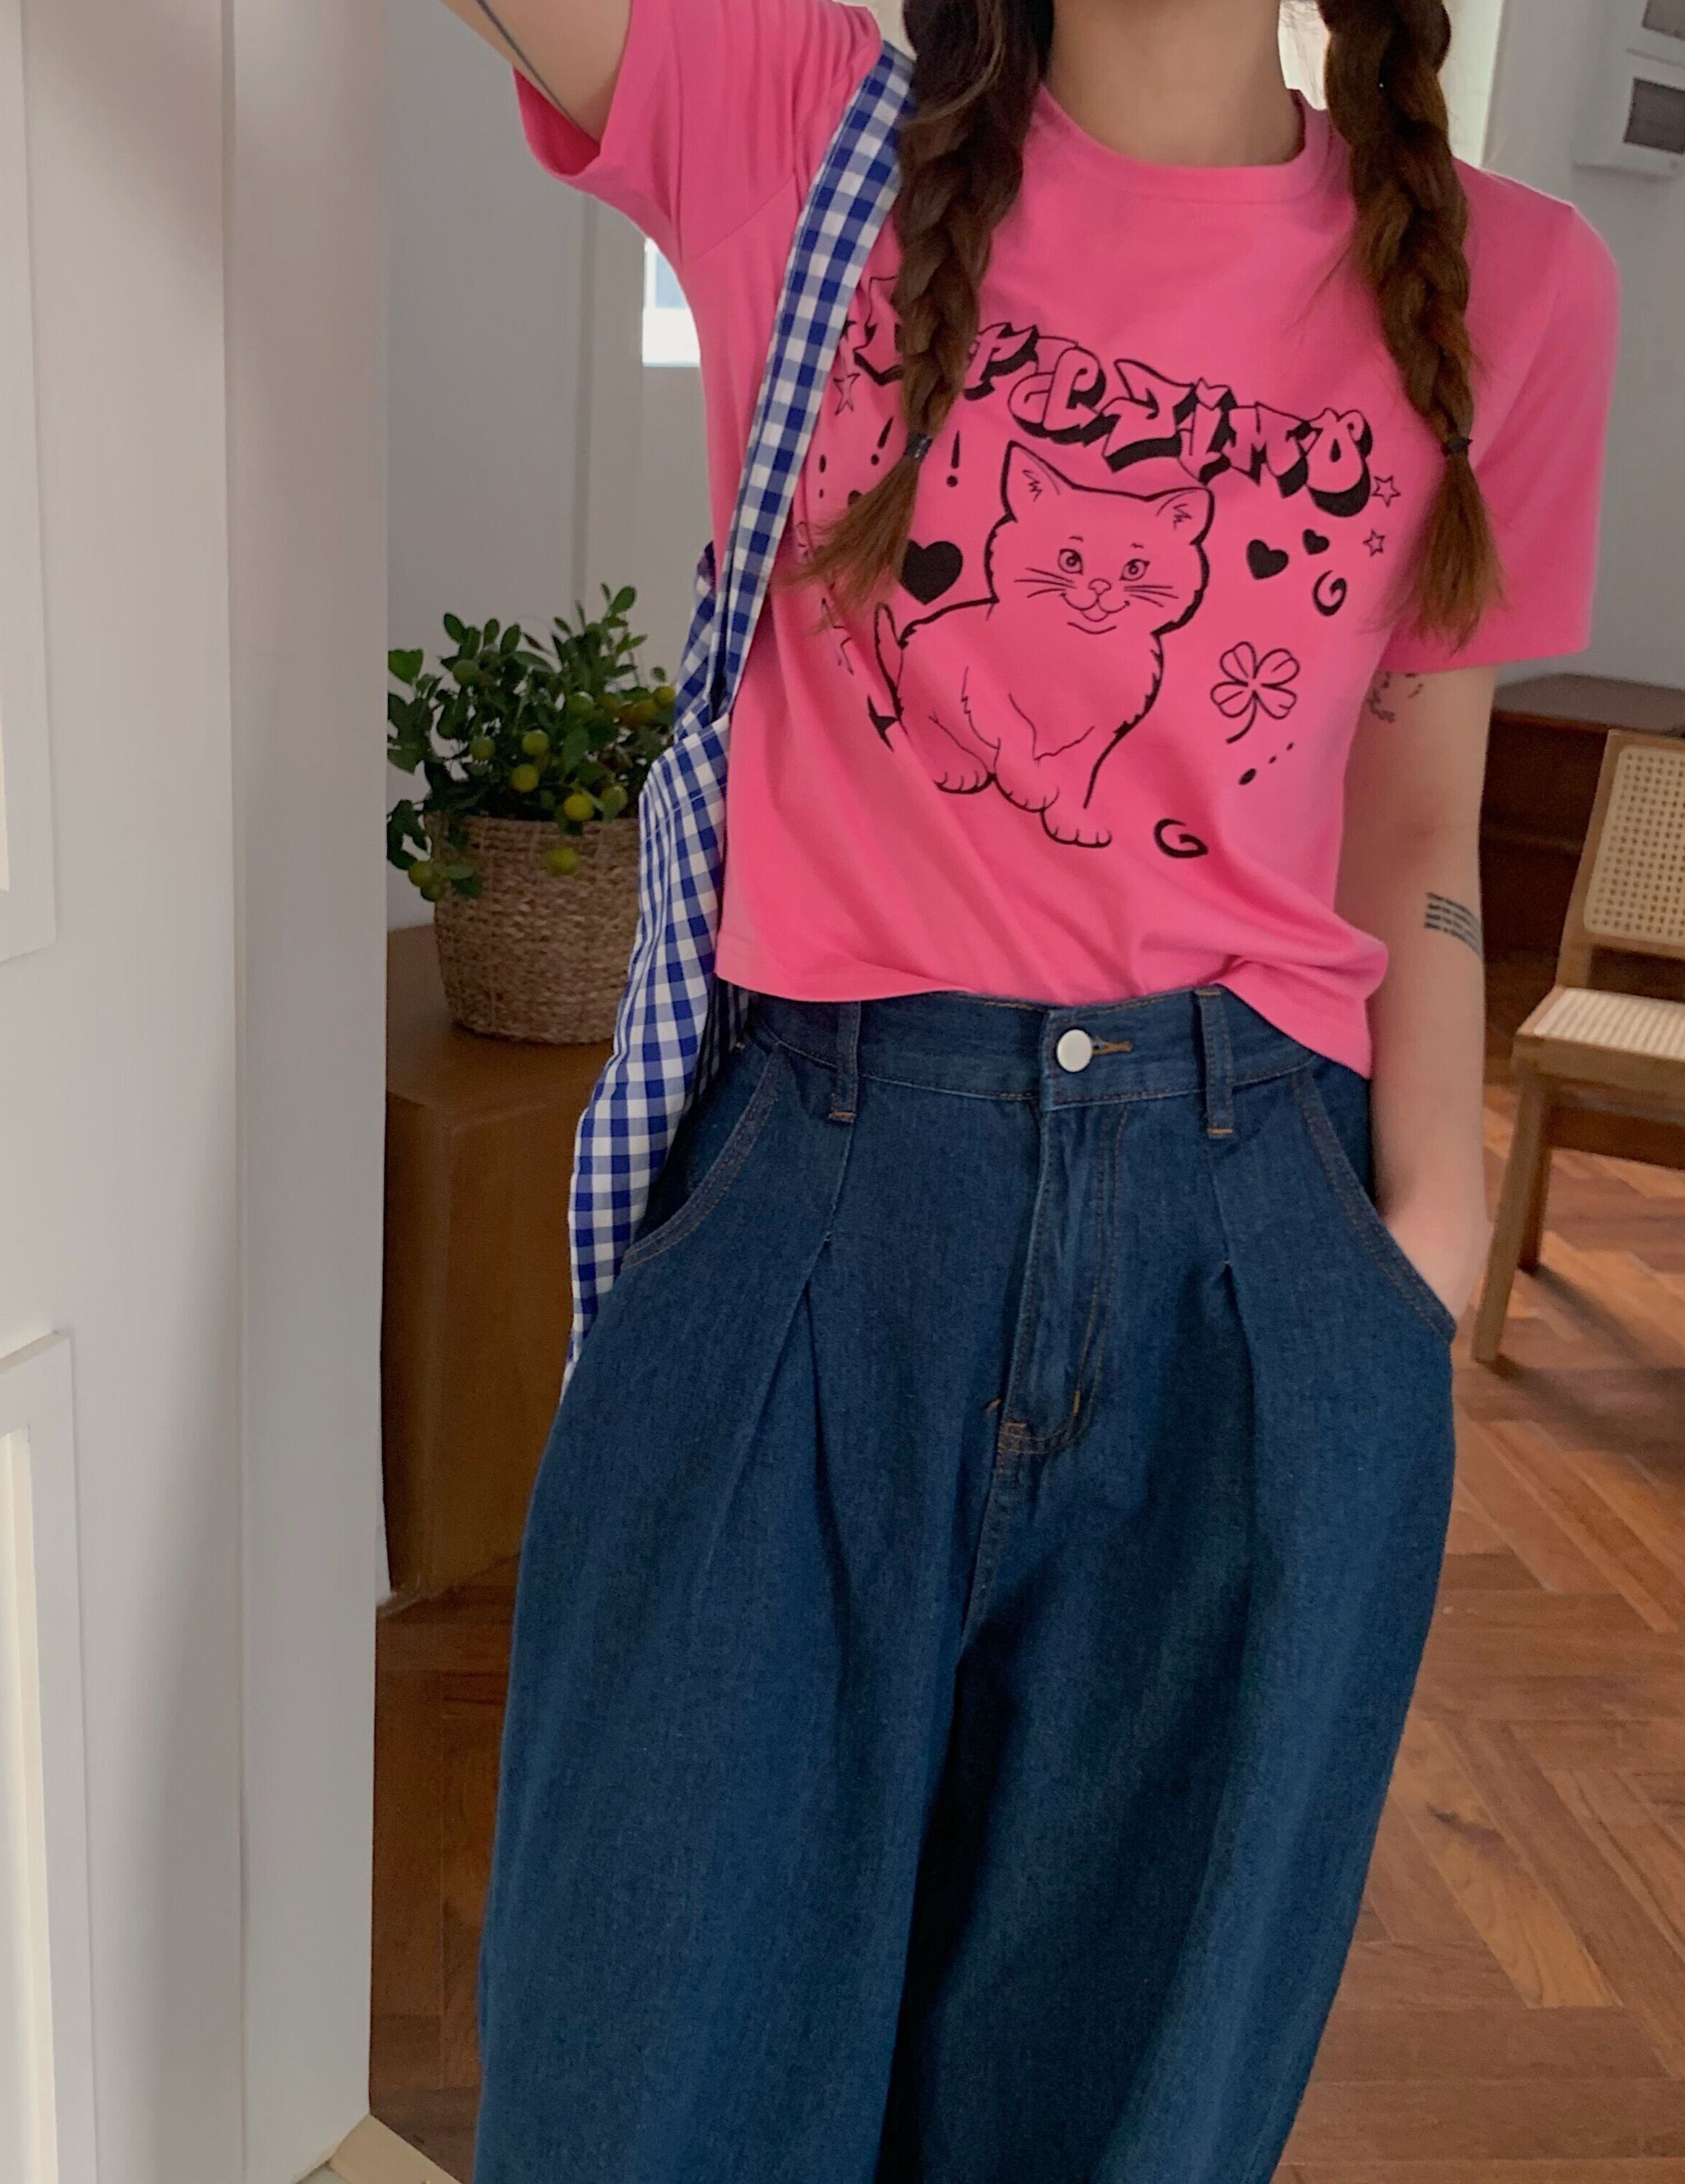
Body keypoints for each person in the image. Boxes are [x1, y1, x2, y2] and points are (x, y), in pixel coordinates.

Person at [435, 3, 1621, 2178]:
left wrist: (1421, 1257)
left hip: (1256, 1255)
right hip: (813, 1208)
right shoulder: (799, 126)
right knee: (644, 2089)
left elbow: (1418, 815)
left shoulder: (1515, 280)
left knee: (1124, 2118)